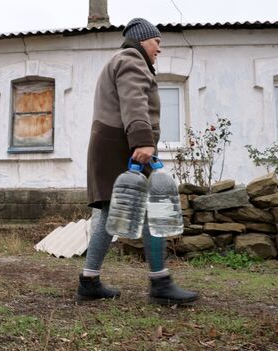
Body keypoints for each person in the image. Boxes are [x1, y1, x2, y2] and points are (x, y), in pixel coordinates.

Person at [77, 18, 199, 305]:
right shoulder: (132, 59)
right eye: (157, 42)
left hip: (115, 144)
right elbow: (134, 101)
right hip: (122, 146)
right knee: (146, 212)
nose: (159, 48)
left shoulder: (123, 59)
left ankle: (89, 281)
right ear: (144, 40)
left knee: (110, 213)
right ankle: (160, 283)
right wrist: (143, 140)